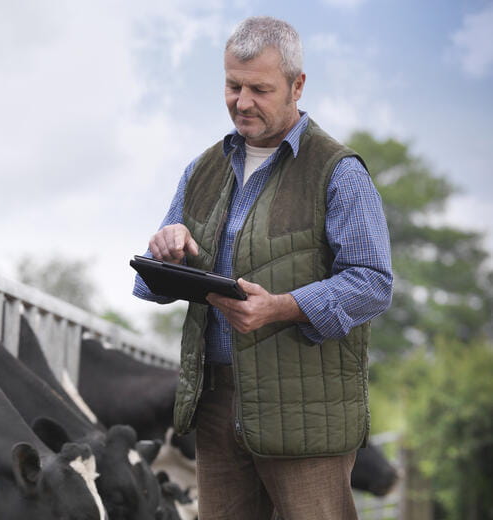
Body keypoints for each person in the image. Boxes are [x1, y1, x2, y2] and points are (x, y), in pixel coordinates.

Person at [133, 16, 393, 520]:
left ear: (297, 85)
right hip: (215, 402)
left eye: (260, 89)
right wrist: (169, 252)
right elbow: (152, 282)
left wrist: (283, 307)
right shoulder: (200, 169)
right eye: (232, 85)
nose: (242, 101)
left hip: (308, 410)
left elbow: (373, 282)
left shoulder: (338, 171)